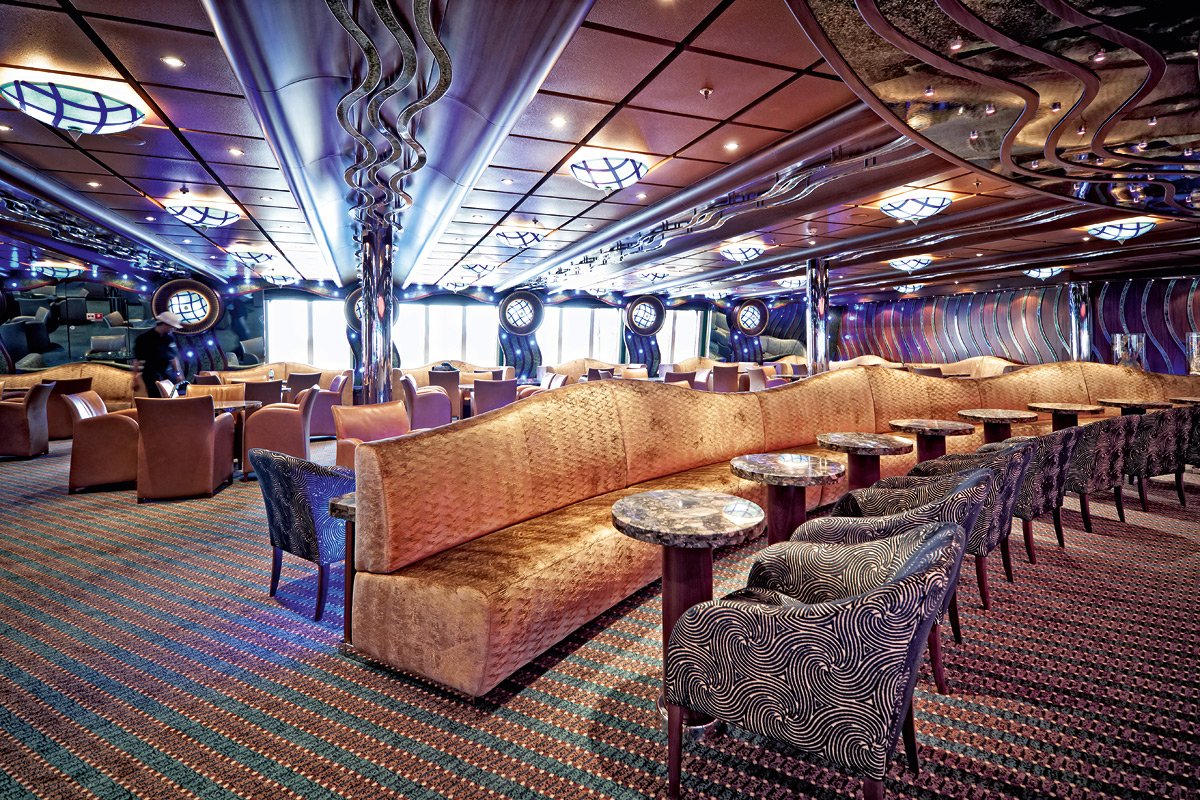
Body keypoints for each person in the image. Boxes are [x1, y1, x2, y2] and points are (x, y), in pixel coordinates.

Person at [132, 312, 184, 398]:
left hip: (168, 374)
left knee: (171, 398)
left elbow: (173, 358)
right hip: (151, 375)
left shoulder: (169, 338)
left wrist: (178, 374)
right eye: (172, 327)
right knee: (156, 399)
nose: (173, 330)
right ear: (165, 324)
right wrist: (135, 379)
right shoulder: (144, 339)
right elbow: (137, 360)